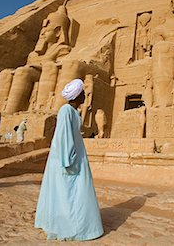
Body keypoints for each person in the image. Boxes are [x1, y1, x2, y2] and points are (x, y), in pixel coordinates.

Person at [34, 79, 104, 241]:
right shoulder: (65, 110)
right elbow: (64, 136)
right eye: (83, 94)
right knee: (69, 191)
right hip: (68, 157)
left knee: (74, 191)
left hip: (75, 154)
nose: (86, 96)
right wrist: (67, 159)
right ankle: (71, 225)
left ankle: (77, 223)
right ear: (77, 95)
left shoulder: (74, 111)